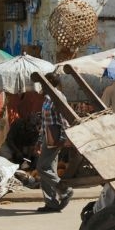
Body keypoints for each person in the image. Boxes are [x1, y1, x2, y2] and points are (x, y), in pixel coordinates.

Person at [34, 72, 74, 213]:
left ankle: (64, 189)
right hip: (48, 137)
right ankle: (51, 203)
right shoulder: (47, 98)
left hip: (55, 138)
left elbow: (63, 119)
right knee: (48, 170)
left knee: (42, 168)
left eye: (43, 82)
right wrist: (39, 140)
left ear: (49, 83)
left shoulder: (57, 96)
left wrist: (63, 137)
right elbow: (45, 122)